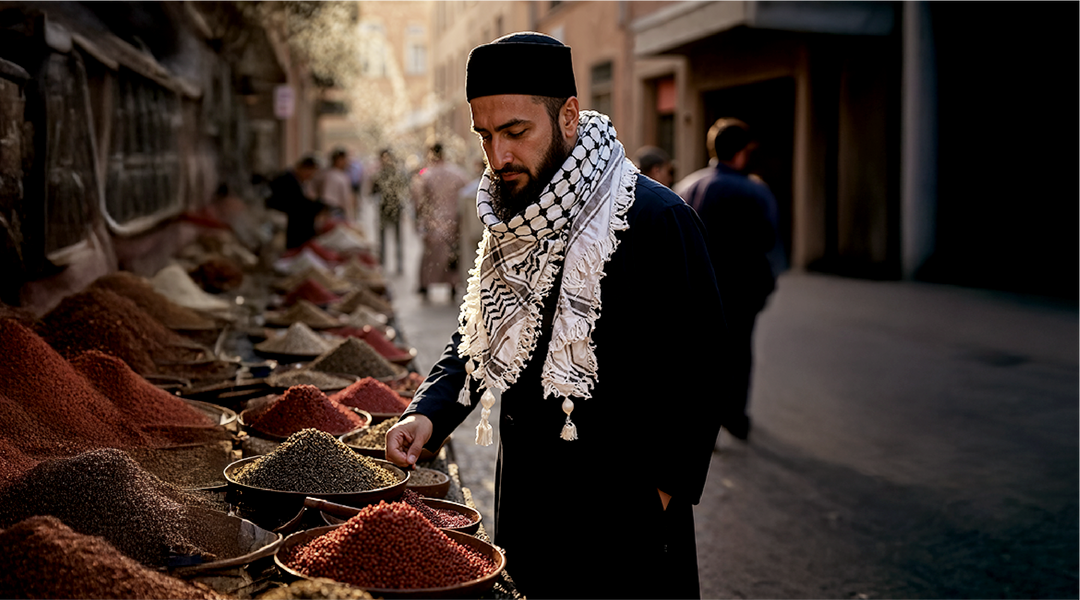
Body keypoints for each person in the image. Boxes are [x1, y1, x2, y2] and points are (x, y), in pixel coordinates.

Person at [386, 32, 725, 599]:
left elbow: (704, 368)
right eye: (485, 136)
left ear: (569, 115)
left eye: (516, 132)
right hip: (527, 509)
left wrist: (658, 496)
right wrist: (428, 414)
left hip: (626, 527)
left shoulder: (657, 220)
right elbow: (481, 332)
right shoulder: (511, 219)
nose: (499, 158)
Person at [680, 118, 777, 441]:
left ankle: (698, 415)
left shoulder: (687, 186)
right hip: (740, 290)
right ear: (742, 152)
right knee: (739, 351)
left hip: (695, 288)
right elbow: (769, 241)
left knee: (697, 352)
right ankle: (734, 417)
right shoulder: (754, 191)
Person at [410, 142, 468, 299]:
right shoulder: (457, 173)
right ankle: (453, 286)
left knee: (430, 256)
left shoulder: (426, 175)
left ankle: (425, 286)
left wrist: (418, 221)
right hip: (454, 221)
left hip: (433, 222)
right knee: (452, 254)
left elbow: (419, 202)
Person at [266, 156, 326, 249]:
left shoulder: (294, 180)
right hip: (281, 218)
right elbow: (296, 204)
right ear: (304, 169)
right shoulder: (288, 180)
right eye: (310, 173)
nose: (310, 176)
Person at [371, 149, 408, 274]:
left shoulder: (394, 174)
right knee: (385, 238)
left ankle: (397, 264)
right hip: (384, 209)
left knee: (396, 238)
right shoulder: (382, 175)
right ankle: (384, 264)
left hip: (394, 209)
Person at [316, 147, 356, 223]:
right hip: (333, 214)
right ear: (338, 160)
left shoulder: (341, 175)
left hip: (340, 213)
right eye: (344, 159)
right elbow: (327, 199)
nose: (346, 162)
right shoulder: (331, 176)